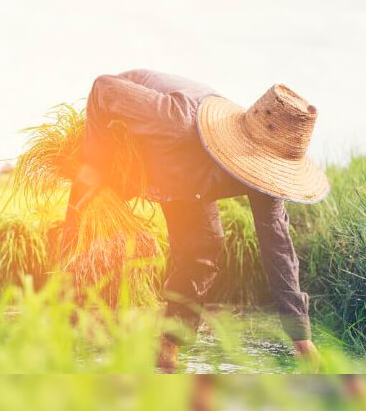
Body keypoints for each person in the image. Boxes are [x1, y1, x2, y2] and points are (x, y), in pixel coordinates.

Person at [65, 69, 329, 372]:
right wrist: (96, 167)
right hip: (131, 146)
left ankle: (167, 353)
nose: (264, 174)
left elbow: (278, 247)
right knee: (82, 246)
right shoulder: (176, 120)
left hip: (183, 178)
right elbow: (104, 89)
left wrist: (301, 338)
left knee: (203, 249)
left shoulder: (268, 175)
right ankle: (64, 344)